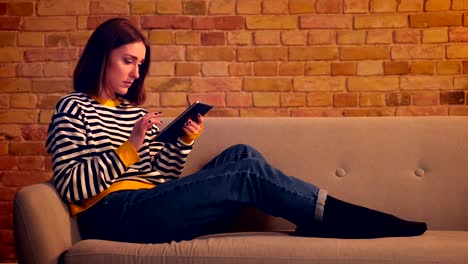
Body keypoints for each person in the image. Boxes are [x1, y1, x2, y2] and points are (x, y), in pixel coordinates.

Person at [45, 17, 427, 244]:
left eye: (140, 65)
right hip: (113, 215)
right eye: (128, 61)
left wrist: (182, 140)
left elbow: (159, 178)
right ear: (102, 58)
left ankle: (314, 219)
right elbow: (72, 188)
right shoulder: (72, 107)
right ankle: (339, 217)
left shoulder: (134, 112)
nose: (135, 73)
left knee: (241, 154)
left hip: (147, 204)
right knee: (245, 173)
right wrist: (129, 147)